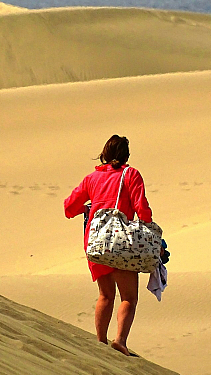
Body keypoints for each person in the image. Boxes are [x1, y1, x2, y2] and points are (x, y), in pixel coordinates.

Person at [64, 135, 153, 356]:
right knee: (129, 298)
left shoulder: (91, 178)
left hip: (95, 244)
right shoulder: (130, 174)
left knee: (105, 294)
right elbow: (141, 208)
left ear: (104, 154)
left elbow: (69, 208)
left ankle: (100, 343)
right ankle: (120, 341)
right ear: (126, 156)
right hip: (121, 243)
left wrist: (87, 209)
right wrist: (150, 233)